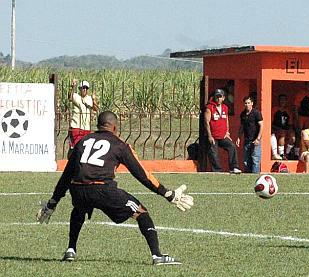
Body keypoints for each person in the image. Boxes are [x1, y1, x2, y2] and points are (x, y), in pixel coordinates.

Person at [36, 111, 193, 265]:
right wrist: (166, 193)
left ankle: (71, 249)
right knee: (141, 212)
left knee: (79, 209)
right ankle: (157, 256)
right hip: (103, 189)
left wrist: (53, 202)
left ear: (98, 125)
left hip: (77, 189)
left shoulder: (83, 141)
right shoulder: (119, 145)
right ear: (115, 127)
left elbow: (67, 175)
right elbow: (141, 173)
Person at [204, 88, 241, 173]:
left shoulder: (225, 108)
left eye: (220, 97)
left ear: (223, 98)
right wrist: (209, 135)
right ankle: (217, 170)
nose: (218, 99)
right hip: (213, 136)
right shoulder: (210, 108)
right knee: (214, 153)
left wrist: (227, 132)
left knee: (232, 146)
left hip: (222, 135)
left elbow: (226, 120)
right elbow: (206, 122)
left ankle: (234, 167)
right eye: (217, 97)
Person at [68, 79, 99, 156]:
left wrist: (94, 99)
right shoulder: (76, 96)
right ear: (80, 89)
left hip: (86, 127)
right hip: (76, 126)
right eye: (83, 88)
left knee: (85, 147)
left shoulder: (89, 98)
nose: (84, 89)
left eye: (86, 88)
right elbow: (70, 97)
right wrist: (72, 87)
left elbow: (96, 109)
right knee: (76, 147)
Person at [236, 96, 263, 173]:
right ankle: (247, 176)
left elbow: (261, 125)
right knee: (246, 160)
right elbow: (242, 126)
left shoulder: (256, 113)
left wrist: (258, 138)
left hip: (255, 140)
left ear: (252, 103)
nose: (247, 105)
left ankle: (254, 176)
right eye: (245, 103)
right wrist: (238, 137)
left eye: (248, 103)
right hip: (247, 139)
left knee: (255, 159)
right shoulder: (243, 114)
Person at [271, 94, 296, 160]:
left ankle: (287, 153)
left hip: (285, 129)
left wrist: (290, 130)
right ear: (278, 101)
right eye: (281, 99)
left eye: (284, 100)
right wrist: (278, 129)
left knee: (293, 137)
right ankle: (281, 154)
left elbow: (290, 124)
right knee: (282, 133)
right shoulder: (274, 110)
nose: (282, 101)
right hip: (275, 129)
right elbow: (270, 123)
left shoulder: (288, 111)